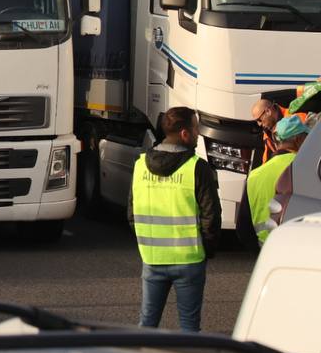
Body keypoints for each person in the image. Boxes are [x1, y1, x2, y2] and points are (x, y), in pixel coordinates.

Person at [128, 106, 220, 333]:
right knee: (189, 328)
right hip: (189, 258)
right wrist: (206, 248)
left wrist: (146, 241)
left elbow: (131, 212)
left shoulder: (140, 165)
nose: (198, 134)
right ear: (185, 134)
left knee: (147, 324)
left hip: (152, 257)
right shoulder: (197, 168)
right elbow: (211, 214)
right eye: (196, 128)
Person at [240, 115, 309, 249]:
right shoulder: (304, 167)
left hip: (265, 250)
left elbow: (243, 228)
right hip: (299, 247)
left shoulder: (254, 175)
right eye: (305, 137)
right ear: (297, 139)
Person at [251, 98, 289, 162]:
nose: (259, 124)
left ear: (268, 111)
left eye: (259, 120)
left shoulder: (294, 119)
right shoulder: (267, 133)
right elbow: (266, 161)